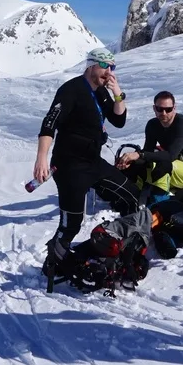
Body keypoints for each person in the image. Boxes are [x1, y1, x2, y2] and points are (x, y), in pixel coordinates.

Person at [34, 47, 138, 277]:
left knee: (131, 196)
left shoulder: (102, 91)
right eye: (104, 66)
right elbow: (49, 124)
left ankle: (117, 248)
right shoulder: (71, 90)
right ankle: (53, 262)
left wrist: (117, 93)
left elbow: (119, 120)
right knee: (71, 224)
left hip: (93, 161)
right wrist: (41, 158)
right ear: (91, 65)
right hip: (70, 165)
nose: (108, 72)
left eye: (112, 67)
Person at [116, 91, 183, 200]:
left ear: (174, 108)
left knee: (163, 164)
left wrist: (139, 154)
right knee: (141, 166)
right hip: (175, 168)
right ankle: (132, 193)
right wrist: (130, 162)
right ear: (154, 108)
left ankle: (158, 201)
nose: (163, 113)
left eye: (168, 109)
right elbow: (148, 151)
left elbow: (170, 156)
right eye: (160, 109)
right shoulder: (152, 125)